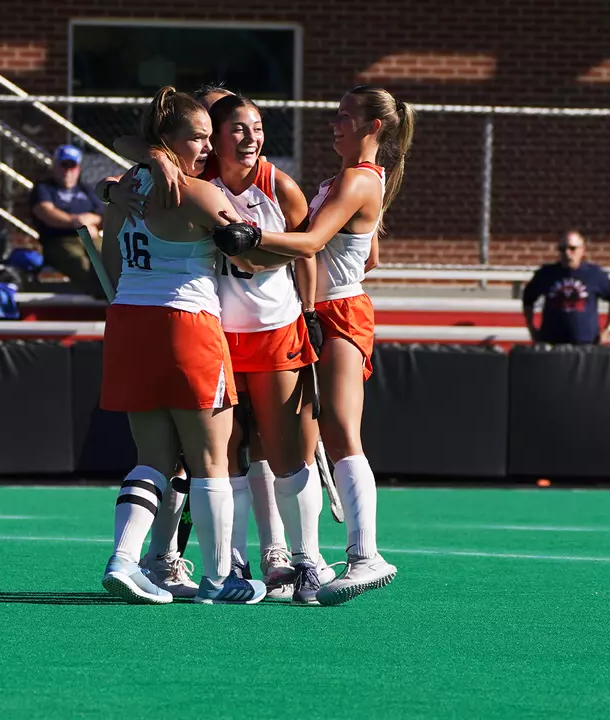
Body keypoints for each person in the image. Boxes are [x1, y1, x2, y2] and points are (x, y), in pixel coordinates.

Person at [213, 85, 416, 605]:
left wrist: (248, 238)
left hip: (340, 310)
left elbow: (307, 243)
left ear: (374, 127)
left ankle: (366, 555)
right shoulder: (345, 180)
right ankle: (302, 558)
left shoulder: (357, 178)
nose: (335, 123)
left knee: (343, 431)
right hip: (320, 308)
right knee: (311, 433)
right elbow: (371, 254)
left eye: (346, 117)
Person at [97, 86, 266, 605]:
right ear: (167, 140)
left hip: (128, 322)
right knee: (211, 460)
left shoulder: (124, 188)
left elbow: (109, 262)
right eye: (196, 139)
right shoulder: (198, 193)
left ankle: (125, 560)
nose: (207, 150)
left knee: (151, 459)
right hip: (187, 322)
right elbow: (250, 261)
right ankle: (220, 579)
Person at [204, 94, 334, 604]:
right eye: (238, 128)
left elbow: (306, 252)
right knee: (225, 455)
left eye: (257, 128)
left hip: (276, 330)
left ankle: (307, 562)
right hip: (216, 335)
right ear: (215, 136)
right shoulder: (198, 184)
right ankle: (232, 564)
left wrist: (309, 310)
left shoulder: (280, 186)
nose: (251, 138)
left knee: (285, 454)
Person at [29, 145, 106, 298]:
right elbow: (45, 212)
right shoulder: (44, 188)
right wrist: (75, 222)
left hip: (91, 237)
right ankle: (105, 297)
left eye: (72, 166)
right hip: (60, 240)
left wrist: (88, 220)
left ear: (78, 169)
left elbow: (101, 213)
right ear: (55, 166)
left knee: (111, 258)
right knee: (80, 263)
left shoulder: (84, 189)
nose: (68, 171)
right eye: (63, 165)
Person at [522, 231, 610, 345]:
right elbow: (528, 298)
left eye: (572, 248)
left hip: (586, 344)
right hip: (552, 344)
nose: (567, 253)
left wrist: (608, 330)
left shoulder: (594, 274)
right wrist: (531, 328)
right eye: (562, 249)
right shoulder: (546, 274)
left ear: (582, 250)